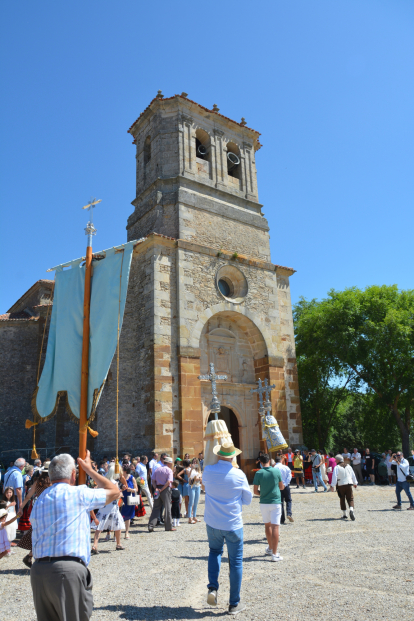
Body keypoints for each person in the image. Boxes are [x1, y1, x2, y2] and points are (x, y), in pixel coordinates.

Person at [29, 451, 120, 621]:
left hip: (39, 571)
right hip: (67, 570)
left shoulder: (40, 498)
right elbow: (115, 492)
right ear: (73, 474)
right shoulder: (78, 493)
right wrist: (90, 469)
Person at [203, 441, 252, 615]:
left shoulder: (207, 471)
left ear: (218, 455)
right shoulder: (239, 474)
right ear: (233, 457)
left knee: (214, 552)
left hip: (213, 522)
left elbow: (205, 487)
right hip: (232, 523)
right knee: (236, 561)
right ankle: (233, 604)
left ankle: (212, 588)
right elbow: (247, 500)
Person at [16, 468, 51, 568]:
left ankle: (31, 556)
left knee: (37, 531)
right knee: (46, 533)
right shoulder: (51, 482)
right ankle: (35, 557)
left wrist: (21, 508)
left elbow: (28, 496)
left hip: (39, 508)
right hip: (49, 509)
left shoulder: (37, 482)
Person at [253, 453, 284, 563]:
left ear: (261, 463)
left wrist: (263, 493)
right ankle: (274, 554)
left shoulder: (258, 473)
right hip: (275, 501)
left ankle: (271, 548)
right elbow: (281, 486)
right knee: (275, 527)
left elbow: (255, 491)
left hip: (264, 502)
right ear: (270, 462)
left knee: (267, 525)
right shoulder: (276, 471)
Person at [91, 464, 125, 553]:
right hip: (113, 505)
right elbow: (116, 494)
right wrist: (120, 493)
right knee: (117, 524)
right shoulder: (114, 482)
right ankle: (118, 543)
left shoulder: (104, 481)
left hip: (104, 504)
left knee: (99, 526)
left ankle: (95, 545)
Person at [148, 456, 175, 532]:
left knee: (155, 508)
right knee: (167, 508)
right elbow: (169, 482)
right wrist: (162, 489)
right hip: (165, 489)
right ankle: (168, 526)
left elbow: (153, 480)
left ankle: (151, 525)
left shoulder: (157, 469)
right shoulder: (169, 470)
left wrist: (156, 488)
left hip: (157, 488)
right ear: (169, 464)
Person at [330, 454, 358, 520]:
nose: (335, 461)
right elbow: (353, 475)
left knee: (342, 498)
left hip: (340, 485)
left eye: (336, 460)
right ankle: (351, 510)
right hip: (349, 484)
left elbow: (334, 477)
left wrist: (332, 485)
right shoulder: (349, 466)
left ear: (338, 460)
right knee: (350, 498)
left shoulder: (337, 467)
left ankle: (344, 514)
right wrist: (355, 483)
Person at [120, 463, 138, 539]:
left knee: (128, 516)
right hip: (122, 498)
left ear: (125, 471)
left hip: (130, 498)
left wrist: (132, 490)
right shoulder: (120, 478)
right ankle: (118, 533)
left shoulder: (132, 478)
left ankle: (127, 532)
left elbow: (136, 489)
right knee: (120, 515)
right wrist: (121, 488)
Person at [274, 457, 293, 524]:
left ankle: (282, 519)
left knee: (280, 502)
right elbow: (289, 476)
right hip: (286, 486)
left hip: (278, 487)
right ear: (281, 461)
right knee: (288, 500)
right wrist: (285, 484)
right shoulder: (286, 467)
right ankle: (289, 513)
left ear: (275, 462)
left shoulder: (274, 469)